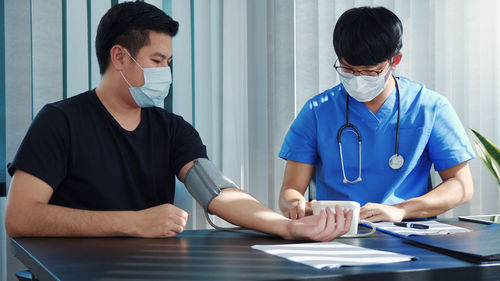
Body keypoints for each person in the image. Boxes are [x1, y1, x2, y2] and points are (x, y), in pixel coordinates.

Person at [5, 1, 352, 241]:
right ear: (119, 57)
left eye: (168, 61)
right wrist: (133, 223)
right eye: (156, 60)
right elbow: (20, 218)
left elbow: (218, 193)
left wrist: (284, 227)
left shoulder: (172, 128)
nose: (165, 73)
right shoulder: (60, 121)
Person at [278, 6, 474, 222]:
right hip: (336, 234)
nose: (358, 79)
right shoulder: (318, 111)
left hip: (408, 233)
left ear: (395, 61)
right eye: (348, 70)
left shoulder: (429, 107)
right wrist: (295, 205)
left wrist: (401, 210)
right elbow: (291, 190)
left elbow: (461, 185)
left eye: (370, 72)